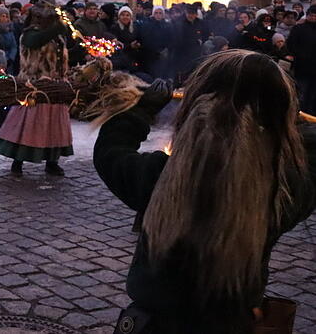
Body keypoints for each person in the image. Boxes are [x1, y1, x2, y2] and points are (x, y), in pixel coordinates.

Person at [94, 51, 316, 333]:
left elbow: (110, 154)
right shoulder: (281, 189)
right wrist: (284, 120)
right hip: (232, 323)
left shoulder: (161, 177)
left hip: (156, 325)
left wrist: (139, 111)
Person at [0, 1, 72, 176]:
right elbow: (35, 42)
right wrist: (56, 28)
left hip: (55, 85)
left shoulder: (56, 37)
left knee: (54, 125)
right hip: (34, 85)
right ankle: (18, 161)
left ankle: (52, 161)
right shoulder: (29, 35)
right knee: (29, 125)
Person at [287, 5, 316, 114]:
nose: (313, 18)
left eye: (315, 16)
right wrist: (300, 55)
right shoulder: (299, 28)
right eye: (311, 15)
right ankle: (299, 114)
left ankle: (311, 115)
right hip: (302, 67)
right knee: (301, 93)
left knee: (313, 95)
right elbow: (291, 44)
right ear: (307, 15)